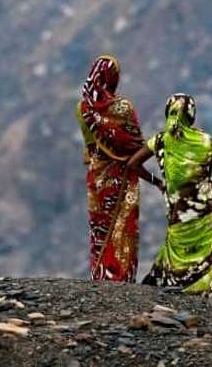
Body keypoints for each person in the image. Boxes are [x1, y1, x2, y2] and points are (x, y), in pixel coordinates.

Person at [76, 55, 161, 282]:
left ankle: (100, 276)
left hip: (96, 176)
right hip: (121, 177)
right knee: (122, 228)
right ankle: (120, 278)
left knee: (100, 228)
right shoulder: (123, 108)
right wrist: (157, 178)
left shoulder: (82, 108)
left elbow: (90, 146)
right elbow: (136, 149)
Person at [128, 93, 212, 295]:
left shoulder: (160, 141)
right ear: (191, 115)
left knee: (178, 248)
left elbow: (132, 164)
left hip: (178, 208)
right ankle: (199, 293)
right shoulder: (205, 141)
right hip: (205, 208)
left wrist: (158, 183)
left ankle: (174, 285)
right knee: (204, 253)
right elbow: (211, 161)